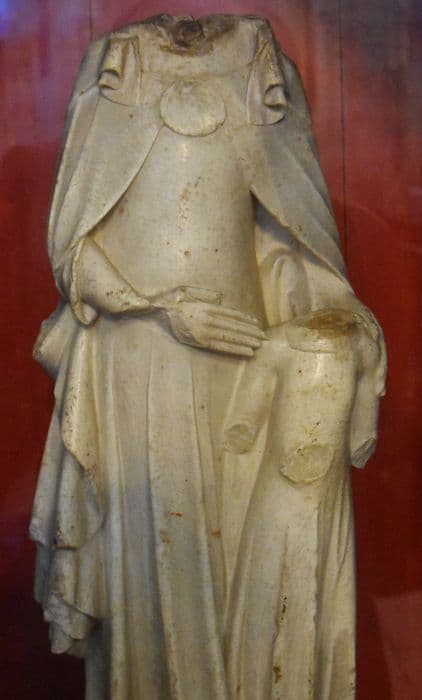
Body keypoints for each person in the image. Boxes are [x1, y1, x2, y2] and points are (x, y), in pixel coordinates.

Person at [30, 14, 385, 699]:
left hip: (245, 359)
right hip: (139, 361)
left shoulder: (261, 72)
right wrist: (159, 307)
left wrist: (339, 326)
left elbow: (296, 240)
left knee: (244, 562)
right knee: (157, 568)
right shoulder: (117, 68)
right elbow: (74, 250)